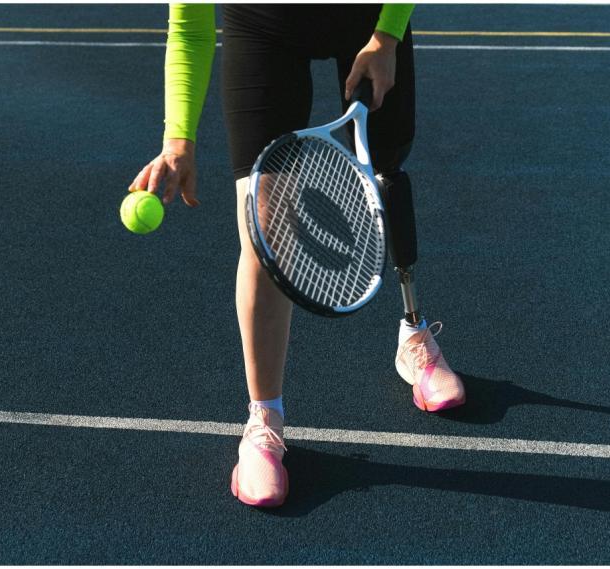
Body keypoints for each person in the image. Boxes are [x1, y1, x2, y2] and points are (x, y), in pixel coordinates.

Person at [130, 4, 466, 508]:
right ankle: (264, 421)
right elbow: (190, 29)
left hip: (365, 16)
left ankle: (412, 333)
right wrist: (178, 140)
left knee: (387, 176)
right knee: (263, 222)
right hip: (263, 26)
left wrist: (387, 38)